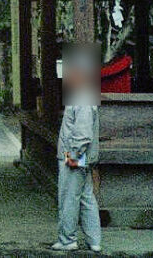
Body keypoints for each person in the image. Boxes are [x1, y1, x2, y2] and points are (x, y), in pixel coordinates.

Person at [52, 46, 101, 252]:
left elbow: (82, 135)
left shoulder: (81, 98)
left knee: (69, 198)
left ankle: (67, 239)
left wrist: (72, 156)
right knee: (86, 198)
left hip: (74, 155)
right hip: (81, 156)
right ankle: (94, 241)